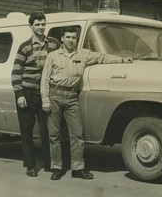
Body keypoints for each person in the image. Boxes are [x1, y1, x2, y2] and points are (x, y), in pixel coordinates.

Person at [40, 26, 133, 180]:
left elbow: (102, 57)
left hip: (71, 97)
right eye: (68, 37)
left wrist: (122, 60)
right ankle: (56, 168)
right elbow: (44, 79)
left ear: (77, 39)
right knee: (54, 135)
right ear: (62, 39)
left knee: (77, 135)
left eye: (73, 37)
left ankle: (77, 169)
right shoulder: (53, 56)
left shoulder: (83, 54)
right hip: (54, 95)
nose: (71, 40)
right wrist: (45, 99)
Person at [11, 12, 61, 177]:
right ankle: (30, 166)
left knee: (48, 129)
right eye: (37, 24)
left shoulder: (53, 44)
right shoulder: (25, 47)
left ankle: (49, 165)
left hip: (46, 94)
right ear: (31, 26)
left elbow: (62, 62)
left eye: (43, 24)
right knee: (27, 130)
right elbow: (16, 72)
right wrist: (19, 94)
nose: (41, 27)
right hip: (27, 93)